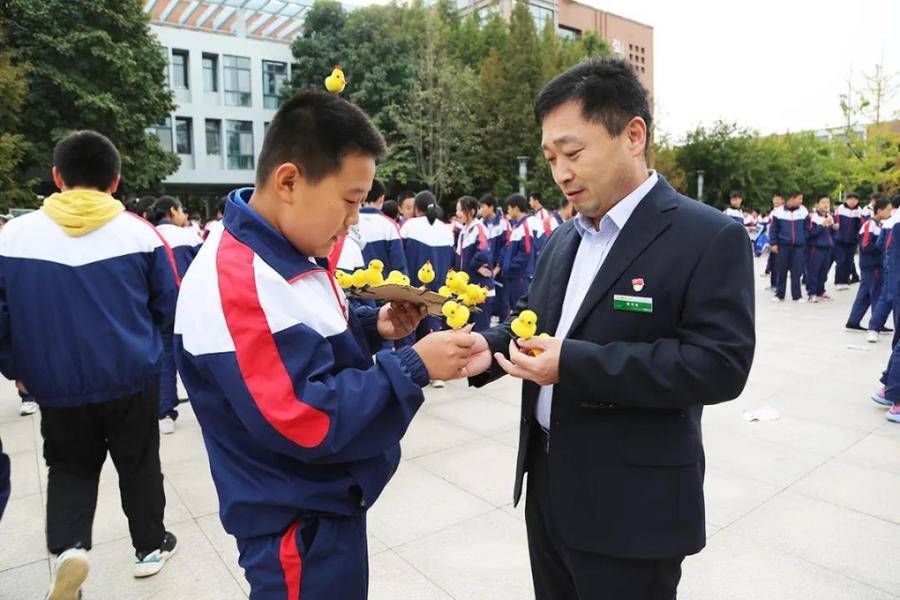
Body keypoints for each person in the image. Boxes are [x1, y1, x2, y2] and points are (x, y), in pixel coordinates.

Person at [464, 57, 755, 600]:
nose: (561, 173)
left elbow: (720, 366)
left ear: (633, 135)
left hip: (633, 509)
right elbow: (534, 319)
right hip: (549, 487)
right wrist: (488, 345)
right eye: (551, 158)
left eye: (573, 153)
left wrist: (571, 364)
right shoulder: (564, 239)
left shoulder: (708, 235)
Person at [174, 92, 476, 600]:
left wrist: (373, 327)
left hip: (324, 508)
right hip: (295, 526)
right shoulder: (239, 281)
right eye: (350, 200)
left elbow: (304, 342)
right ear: (288, 181)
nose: (354, 219)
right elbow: (304, 415)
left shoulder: (289, 250)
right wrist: (414, 366)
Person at [0, 131, 179, 598]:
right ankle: (149, 548)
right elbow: (167, 304)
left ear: (57, 176)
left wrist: (15, 366)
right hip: (131, 375)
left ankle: (69, 549)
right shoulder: (140, 233)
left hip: (54, 383)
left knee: (69, 467)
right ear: (115, 181)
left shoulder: (13, 237)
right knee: (139, 462)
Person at [148, 195, 203, 434]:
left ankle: (165, 412)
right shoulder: (188, 235)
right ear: (172, 211)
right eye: (182, 210)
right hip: (190, 305)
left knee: (167, 356)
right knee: (198, 356)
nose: (184, 215)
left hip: (160, 307)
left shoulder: (147, 235)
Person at [847, 197, 893, 330]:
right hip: (871, 265)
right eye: (888, 210)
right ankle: (877, 323)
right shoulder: (869, 225)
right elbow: (865, 245)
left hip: (874, 264)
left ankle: (853, 321)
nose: (890, 213)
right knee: (876, 294)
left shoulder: (881, 225)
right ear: (879, 211)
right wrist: (882, 248)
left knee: (865, 294)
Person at [455, 195, 495, 331]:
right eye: (457, 210)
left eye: (460, 210)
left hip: (480, 291)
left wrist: (475, 266)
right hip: (467, 290)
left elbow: (484, 251)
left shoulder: (479, 228)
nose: (457, 213)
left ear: (471, 212)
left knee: (481, 331)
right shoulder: (463, 231)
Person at [867, 194, 900, 343]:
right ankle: (874, 327)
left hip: (889, 263)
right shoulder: (894, 221)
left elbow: (881, 244)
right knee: (890, 296)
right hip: (893, 264)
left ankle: (876, 328)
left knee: (889, 296)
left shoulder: (889, 221)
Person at [357, 178, 407, 275]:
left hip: (355, 285)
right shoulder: (389, 225)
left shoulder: (349, 223)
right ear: (382, 198)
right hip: (383, 287)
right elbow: (399, 264)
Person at [500, 194, 535, 320]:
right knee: (514, 309)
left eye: (509, 208)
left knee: (520, 311)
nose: (508, 211)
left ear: (516, 208)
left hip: (520, 276)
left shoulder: (525, 226)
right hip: (513, 276)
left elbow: (526, 252)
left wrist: (510, 266)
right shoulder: (517, 226)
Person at [769, 191, 808, 302]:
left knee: (797, 271)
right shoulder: (778, 212)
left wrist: (804, 239)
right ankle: (779, 294)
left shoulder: (803, 211)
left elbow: (806, 228)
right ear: (792, 198)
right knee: (782, 270)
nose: (801, 201)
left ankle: (797, 295)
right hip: (783, 246)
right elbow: (773, 229)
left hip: (798, 246)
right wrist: (773, 243)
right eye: (799, 199)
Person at [479, 194, 510, 321]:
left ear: (491, 207)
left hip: (500, 272)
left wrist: (498, 267)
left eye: (483, 207)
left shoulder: (503, 224)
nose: (480, 210)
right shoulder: (480, 224)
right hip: (484, 272)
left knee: (503, 304)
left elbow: (506, 247)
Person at [805, 195, 835, 302]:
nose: (826, 205)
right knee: (814, 270)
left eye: (828, 202)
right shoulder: (812, 217)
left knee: (824, 271)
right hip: (816, 247)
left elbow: (831, 233)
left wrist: (833, 227)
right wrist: (822, 225)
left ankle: (820, 291)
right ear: (817, 205)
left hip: (828, 247)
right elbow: (810, 233)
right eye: (823, 202)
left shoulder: (830, 216)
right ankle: (812, 293)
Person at [834, 192, 863, 289]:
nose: (852, 201)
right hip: (840, 240)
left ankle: (846, 281)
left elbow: (861, 225)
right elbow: (836, 221)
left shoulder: (859, 210)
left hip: (852, 240)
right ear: (846, 200)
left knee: (849, 261)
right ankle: (838, 281)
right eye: (850, 199)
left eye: (855, 200)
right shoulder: (840, 209)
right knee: (841, 261)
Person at [764, 194, 784, 290]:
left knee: (777, 264)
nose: (775, 201)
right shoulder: (773, 211)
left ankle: (777, 284)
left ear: (782, 200)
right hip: (771, 240)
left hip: (777, 241)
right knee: (772, 263)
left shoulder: (782, 212)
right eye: (774, 199)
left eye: (778, 199)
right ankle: (773, 284)